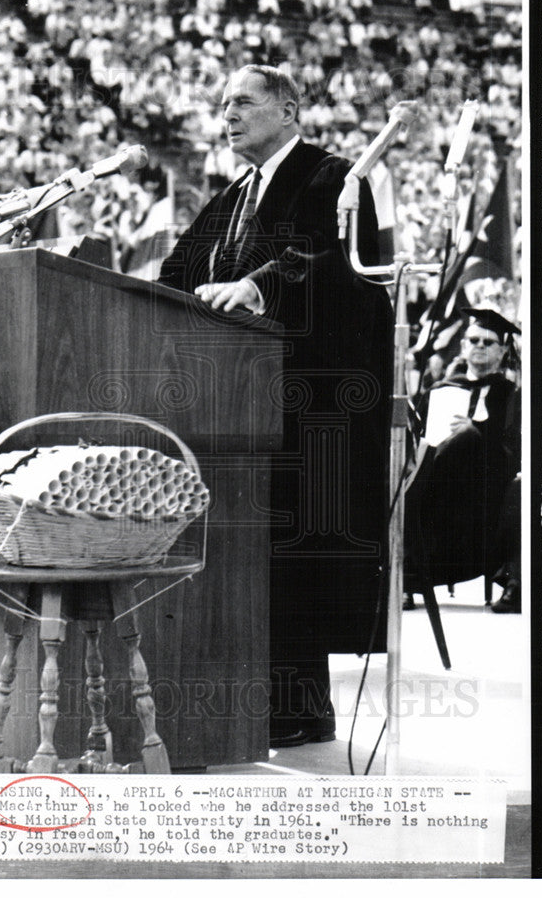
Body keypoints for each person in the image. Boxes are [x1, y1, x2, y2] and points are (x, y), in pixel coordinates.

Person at [158, 64, 393, 747]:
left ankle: (301, 706)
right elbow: (178, 273)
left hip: (309, 405)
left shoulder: (334, 178)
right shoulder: (232, 195)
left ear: (289, 109)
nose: (226, 113)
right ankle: (248, 698)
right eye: (221, 103)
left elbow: (328, 260)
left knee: (295, 553)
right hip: (235, 407)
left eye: (242, 101)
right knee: (250, 552)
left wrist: (258, 286)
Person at [404, 307, 521, 610]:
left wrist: (476, 433)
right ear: (463, 345)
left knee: (467, 438)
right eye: (473, 340)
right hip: (439, 491)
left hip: (484, 489)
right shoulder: (439, 389)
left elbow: (513, 450)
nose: (479, 346)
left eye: (488, 342)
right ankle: (405, 576)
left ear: (503, 350)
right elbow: (418, 438)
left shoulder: (511, 395)